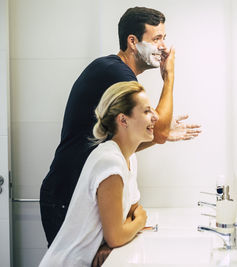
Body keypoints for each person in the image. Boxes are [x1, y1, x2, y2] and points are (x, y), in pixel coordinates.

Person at [39, 6, 200, 265]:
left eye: (164, 37)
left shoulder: (114, 72)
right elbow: (156, 131)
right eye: (156, 38)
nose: (164, 46)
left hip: (81, 189)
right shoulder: (116, 74)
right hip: (66, 192)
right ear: (132, 42)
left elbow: (125, 143)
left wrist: (159, 134)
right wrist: (169, 77)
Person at [39, 81, 156, 266]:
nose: (155, 116)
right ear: (123, 120)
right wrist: (140, 221)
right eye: (147, 111)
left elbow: (132, 209)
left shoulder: (129, 157)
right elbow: (117, 236)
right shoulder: (109, 162)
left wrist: (131, 221)